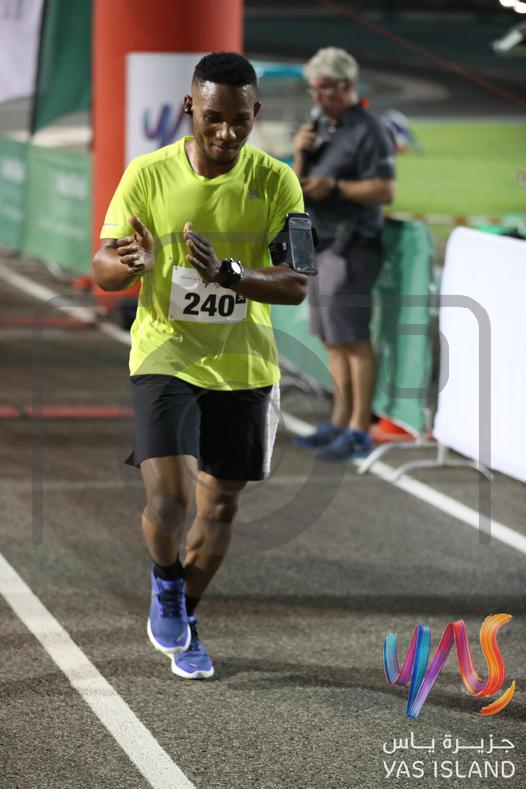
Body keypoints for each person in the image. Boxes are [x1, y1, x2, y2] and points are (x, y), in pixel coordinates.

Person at [93, 52, 307, 679]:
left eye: (240, 120)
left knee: (220, 508)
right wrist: (128, 264)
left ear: (255, 113)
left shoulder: (278, 182)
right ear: (190, 107)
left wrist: (228, 274)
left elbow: (296, 283)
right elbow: (102, 266)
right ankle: (166, 584)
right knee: (171, 497)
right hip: (166, 352)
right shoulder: (147, 174)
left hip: (244, 365)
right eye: (213, 117)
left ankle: (185, 613)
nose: (226, 133)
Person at [292, 47, 396, 461]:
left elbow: (384, 190)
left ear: (347, 85)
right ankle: (339, 421)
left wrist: (334, 187)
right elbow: (298, 184)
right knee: (331, 339)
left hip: (351, 245)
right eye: (313, 89)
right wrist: (300, 153)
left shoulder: (370, 129)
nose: (318, 97)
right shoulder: (322, 126)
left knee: (353, 339)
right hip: (322, 242)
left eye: (324, 88)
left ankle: (358, 429)